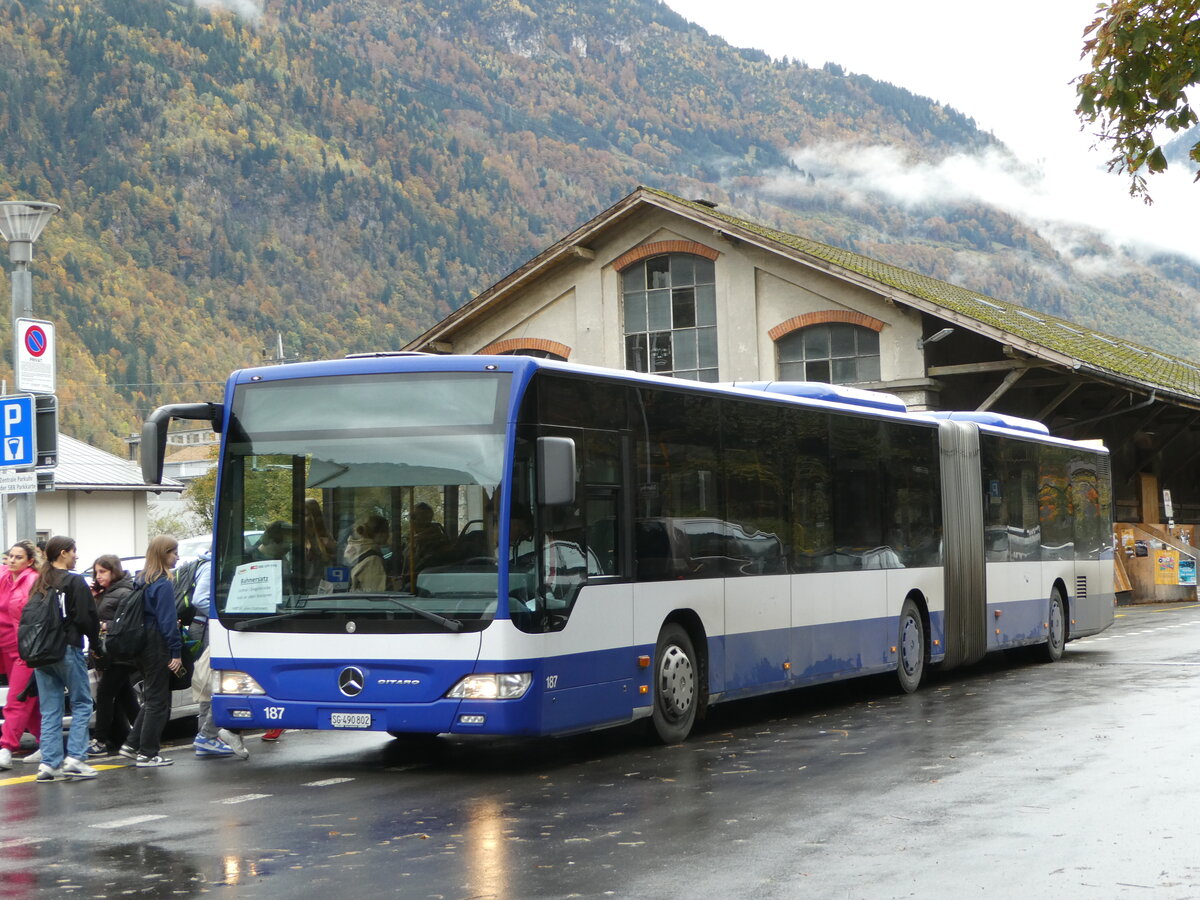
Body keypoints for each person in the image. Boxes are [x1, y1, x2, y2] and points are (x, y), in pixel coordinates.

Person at [30, 535, 101, 781]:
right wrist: (97, 644)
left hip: (41, 653)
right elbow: (86, 617)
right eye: (74, 552)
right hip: (67, 648)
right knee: (82, 703)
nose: (76, 556)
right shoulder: (74, 581)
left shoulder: (40, 582)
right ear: (62, 553)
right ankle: (76, 757)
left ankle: (49, 763)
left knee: (50, 709)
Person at [120, 535, 183, 768]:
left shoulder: (141, 579)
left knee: (151, 698)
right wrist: (175, 652)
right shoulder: (163, 582)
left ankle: (132, 744)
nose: (177, 556)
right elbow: (167, 621)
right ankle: (147, 753)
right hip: (157, 645)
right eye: (173, 552)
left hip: (140, 644)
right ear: (163, 554)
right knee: (158, 702)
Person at [87, 555, 141, 757]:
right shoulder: (107, 592)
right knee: (126, 696)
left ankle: (100, 740)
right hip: (110, 653)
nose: (99, 576)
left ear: (114, 571)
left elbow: (128, 623)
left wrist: (104, 625)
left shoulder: (124, 592)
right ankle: (142, 736)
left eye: (103, 571)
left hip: (121, 652)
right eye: (96, 572)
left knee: (105, 693)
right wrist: (94, 597)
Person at [0, 542, 42, 769]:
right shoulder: (6, 577)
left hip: (25, 649)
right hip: (6, 647)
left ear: (29, 561)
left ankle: (6, 748)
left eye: (18, 557)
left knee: (17, 698)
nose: (12, 560)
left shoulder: (32, 580)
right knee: (29, 699)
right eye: (10, 556)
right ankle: (46, 742)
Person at [345, 513, 389, 592]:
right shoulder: (373, 560)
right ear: (380, 534)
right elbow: (376, 593)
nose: (389, 536)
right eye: (387, 532)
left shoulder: (355, 550)